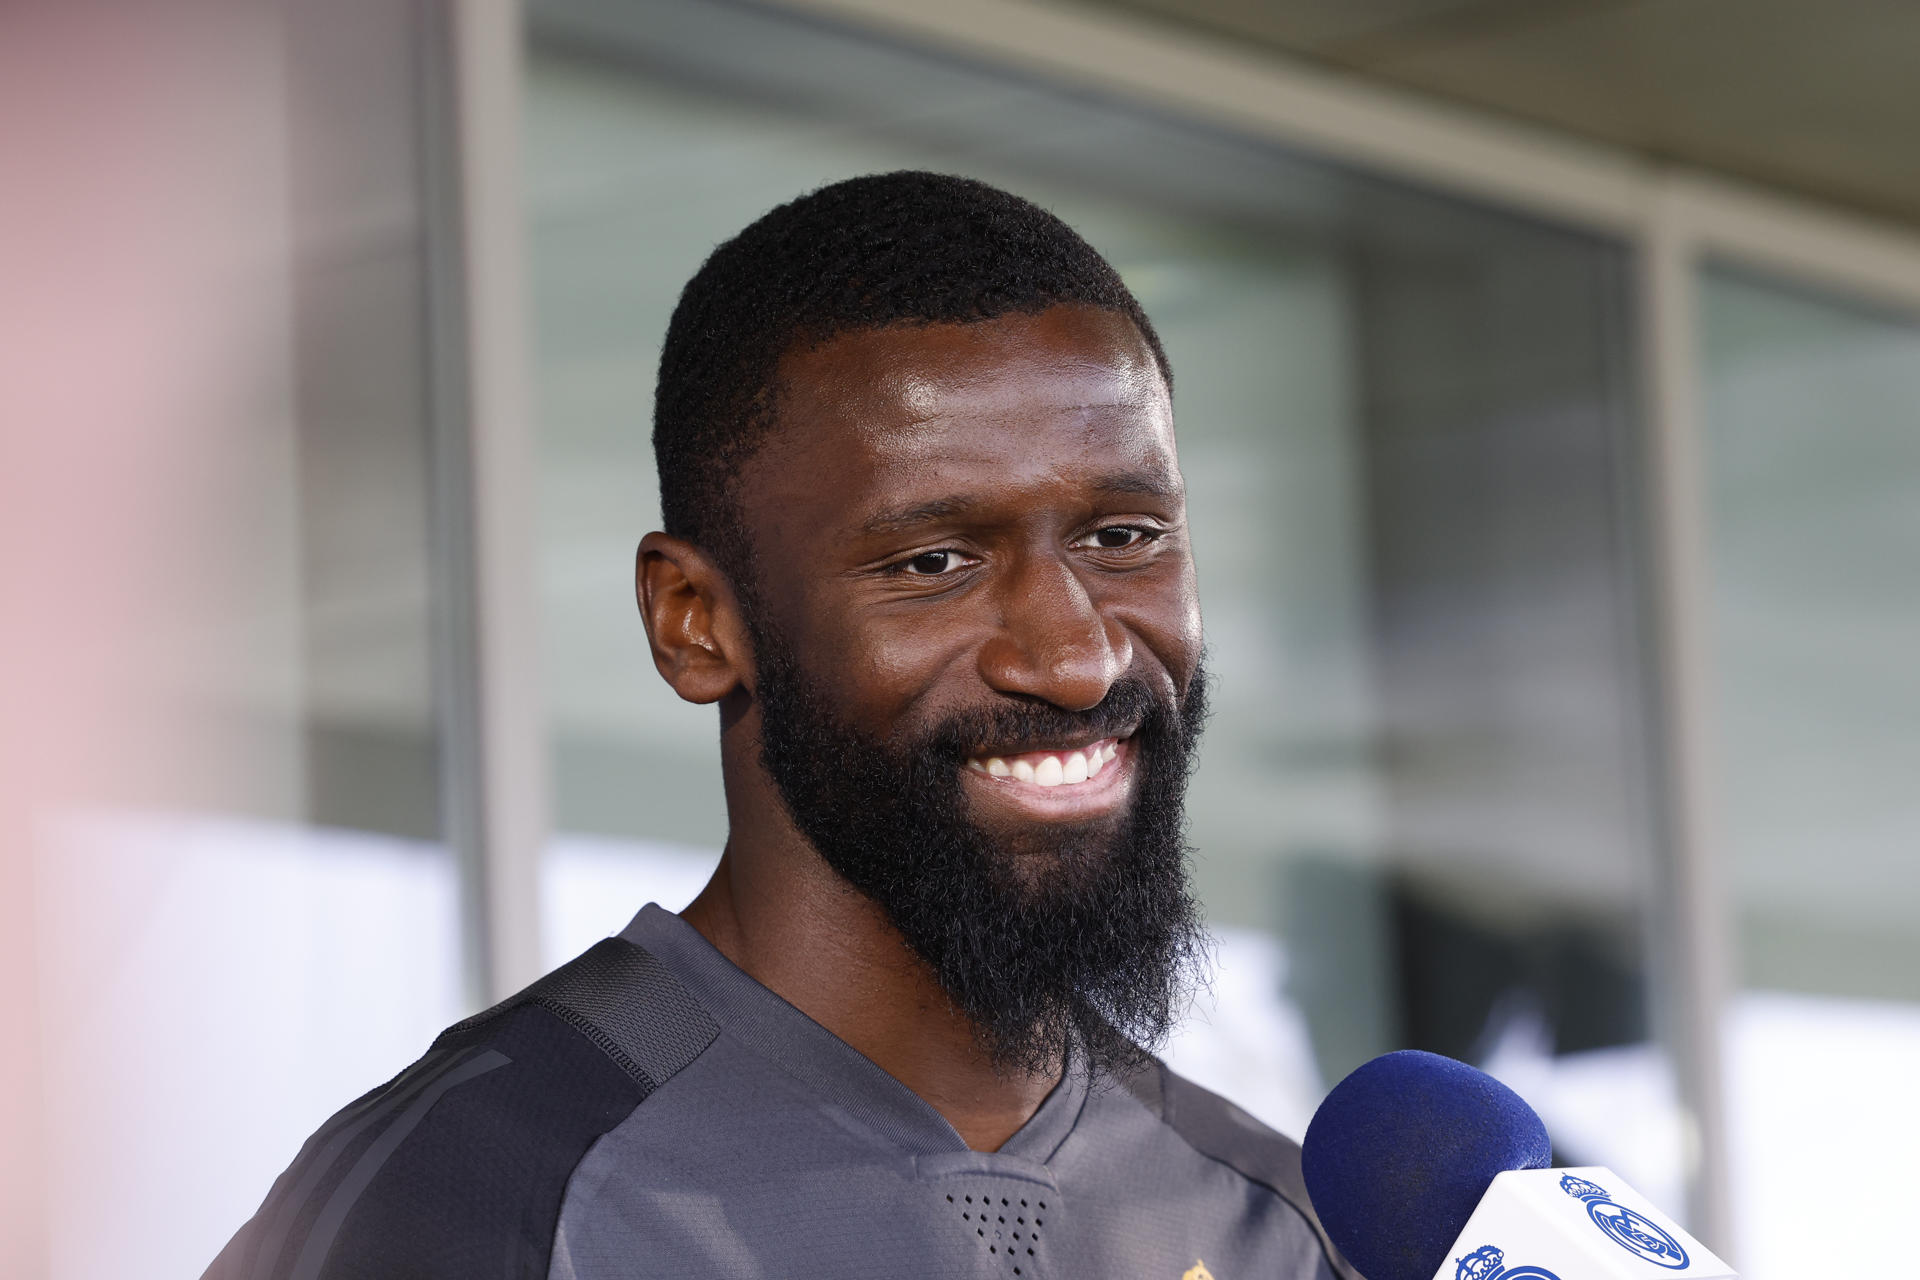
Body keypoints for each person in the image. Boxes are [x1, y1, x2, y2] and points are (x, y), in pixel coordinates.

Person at [207, 171, 1356, 1280]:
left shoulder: (1280, 1221)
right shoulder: (472, 1200)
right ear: (696, 622)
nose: (1074, 656)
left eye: (1124, 537)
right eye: (935, 560)